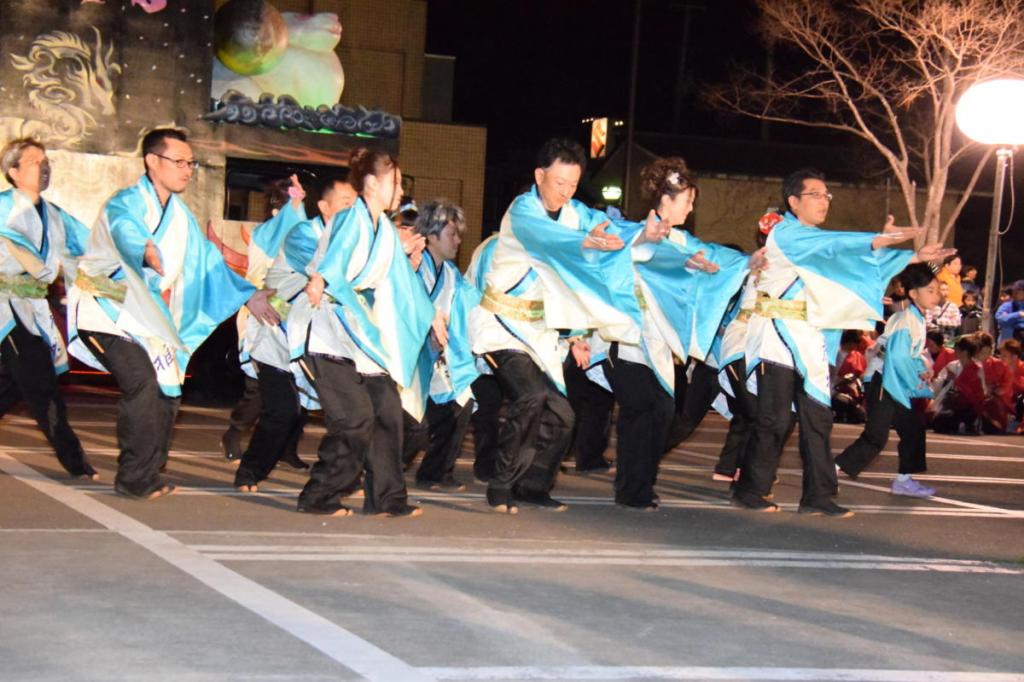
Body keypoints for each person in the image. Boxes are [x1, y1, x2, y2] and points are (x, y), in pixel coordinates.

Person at [68, 128, 276, 499]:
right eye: (179, 161)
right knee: (143, 383)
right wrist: (143, 248)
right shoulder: (125, 203)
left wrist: (248, 296)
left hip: (146, 318)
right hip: (106, 310)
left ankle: (148, 471)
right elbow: (123, 228)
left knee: (168, 390)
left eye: (191, 163)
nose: (187, 169)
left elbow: (209, 263)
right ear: (152, 161)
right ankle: (133, 476)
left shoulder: (179, 216)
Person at [733, 168, 953, 517]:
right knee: (775, 420)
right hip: (775, 336)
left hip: (810, 339)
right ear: (794, 201)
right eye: (815, 195)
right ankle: (750, 488)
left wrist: (912, 257)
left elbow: (852, 259)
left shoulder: (817, 241)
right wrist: (877, 240)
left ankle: (818, 496)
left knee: (818, 419)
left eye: (826, 195)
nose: (824, 201)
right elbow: (836, 245)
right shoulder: (786, 235)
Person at [469, 138, 641, 514]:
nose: (565, 192)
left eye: (573, 186)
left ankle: (533, 486)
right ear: (539, 175)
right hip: (500, 324)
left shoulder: (574, 215)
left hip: (539, 331)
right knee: (530, 398)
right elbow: (554, 242)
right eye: (559, 183)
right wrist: (587, 239)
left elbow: (612, 227)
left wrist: (647, 235)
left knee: (562, 416)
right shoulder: (522, 212)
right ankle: (501, 483)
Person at [290, 148, 436, 517]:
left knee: (388, 410)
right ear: (372, 183)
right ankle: (319, 494)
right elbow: (334, 259)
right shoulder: (349, 219)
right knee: (354, 419)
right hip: (326, 330)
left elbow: (395, 280)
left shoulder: (383, 229)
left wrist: (430, 312)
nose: (400, 191)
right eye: (395, 183)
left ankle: (387, 499)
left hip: (360, 334)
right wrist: (321, 277)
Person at [599, 157, 751, 510]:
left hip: (661, 342)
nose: (691, 206)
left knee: (663, 412)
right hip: (629, 338)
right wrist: (670, 255)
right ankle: (630, 488)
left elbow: (714, 258)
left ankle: (642, 482)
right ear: (666, 199)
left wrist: (744, 263)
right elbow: (632, 259)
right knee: (639, 410)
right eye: (688, 200)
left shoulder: (681, 240)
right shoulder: (635, 231)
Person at [232, 177, 358, 491]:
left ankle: (348, 476)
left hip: (317, 341)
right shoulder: (303, 235)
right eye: (345, 202)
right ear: (324, 207)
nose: (351, 209)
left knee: (353, 411)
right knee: (283, 412)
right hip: (277, 336)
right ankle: (250, 471)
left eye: (354, 204)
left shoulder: (352, 242)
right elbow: (330, 271)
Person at [0, 138, 97, 479]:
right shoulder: (2, 208)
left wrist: (130, 261)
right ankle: (76, 463)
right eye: (34, 162)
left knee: (12, 384)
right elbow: (35, 261)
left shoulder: (55, 216)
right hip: (6, 310)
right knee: (42, 386)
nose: (44, 167)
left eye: (46, 161)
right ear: (13, 171)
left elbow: (89, 246)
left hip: (34, 309)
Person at [836, 263, 939, 498]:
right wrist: (917, 376)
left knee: (913, 428)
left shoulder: (914, 317)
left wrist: (920, 369)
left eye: (937, 289)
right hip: (885, 380)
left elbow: (906, 356)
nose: (937, 295)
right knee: (875, 437)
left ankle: (904, 480)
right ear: (914, 294)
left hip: (893, 379)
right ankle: (829, 472)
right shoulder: (908, 319)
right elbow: (899, 356)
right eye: (930, 290)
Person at [401, 200, 481, 491]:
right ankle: (384, 471)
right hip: (410, 359)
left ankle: (436, 472)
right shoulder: (411, 265)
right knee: (414, 424)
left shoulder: (450, 274)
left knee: (460, 405)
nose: (458, 240)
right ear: (431, 236)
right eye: (452, 234)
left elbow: (472, 304)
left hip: (436, 358)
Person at [925, 281, 961, 346]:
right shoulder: (930, 305)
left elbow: (957, 322)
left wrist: (937, 321)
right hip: (933, 340)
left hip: (948, 340)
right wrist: (947, 324)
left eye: (947, 290)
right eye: (943, 290)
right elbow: (928, 323)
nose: (945, 292)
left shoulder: (953, 306)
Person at [995, 280, 1024, 344]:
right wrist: (1018, 314)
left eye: (1019, 291)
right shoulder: (1006, 305)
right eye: (1015, 290)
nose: (1016, 293)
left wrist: (1009, 318)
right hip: (1007, 343)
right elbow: (1000, 319)